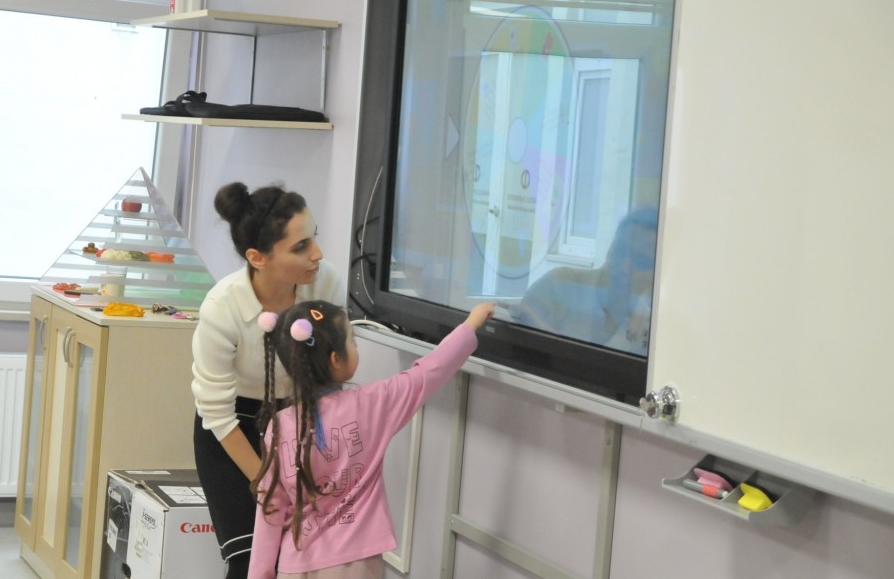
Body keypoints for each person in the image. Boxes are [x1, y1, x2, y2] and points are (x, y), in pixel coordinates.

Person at [248, 299, 495, 579]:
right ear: (336, 360)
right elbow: (429, 371)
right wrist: (471, 324)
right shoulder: (372, 404)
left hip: (294, 566)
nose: (355, 347)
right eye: (353, 342)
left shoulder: (278, 427)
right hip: (357, 567)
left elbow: (270, 508)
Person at [191, 182, 346, 579]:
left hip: (300, 422)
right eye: (301, 247)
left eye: (314, 238)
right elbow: (216, 414)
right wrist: (269, 484)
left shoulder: (324, 283)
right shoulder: (222, 307)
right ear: (257, 258)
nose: (317, 254)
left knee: (303, 558)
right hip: (234, 431)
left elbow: (330, 374)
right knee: (251, 560)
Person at [517, 207, 658, 355]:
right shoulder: (559, 284)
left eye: (641, 261)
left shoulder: (655, 325)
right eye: (621, 250)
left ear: (655, 275)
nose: (624, 267)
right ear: (610, 248)